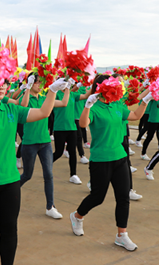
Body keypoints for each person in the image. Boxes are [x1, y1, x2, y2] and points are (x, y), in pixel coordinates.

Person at [0, 74, 68, 265]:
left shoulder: (12, 109)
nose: (2, 87)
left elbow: (43, 112)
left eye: (5, 83)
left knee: (9, 229)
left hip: (10, 180)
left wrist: (52, 91)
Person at [69, 74, 151, 252]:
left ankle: (122, 235)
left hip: (120, 157)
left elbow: (135, 115)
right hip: (101, 159)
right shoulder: (94, 106)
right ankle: (77, 216)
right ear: (100, 87)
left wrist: (146, 100)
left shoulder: (117, 104)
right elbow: (83, 124)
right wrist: (88, 105)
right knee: (98, 197)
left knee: (123, 197)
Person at [18, 73, 70, 219]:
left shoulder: (44, 99)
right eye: (36, 82)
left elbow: (64, 103)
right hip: (29, 143)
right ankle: (10, 192)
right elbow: (23, 105)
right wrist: (27, 87)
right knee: (27, 175)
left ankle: (50, 206)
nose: (39, 84)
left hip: (45, 142)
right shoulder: (26, 96)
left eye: (41, 82)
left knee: (49, 175)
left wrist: (67, 87)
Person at [52, 78, 86, 184]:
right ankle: (47, 165)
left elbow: (85, 96)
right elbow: (64, 103)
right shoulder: (56, 95)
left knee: (72, 152)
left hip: (72, 128)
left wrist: (91, 84)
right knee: (58, 152)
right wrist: (67, 88)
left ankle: (73, 175)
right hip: (59, 128)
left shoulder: (72, 94)